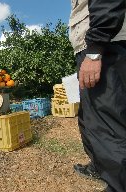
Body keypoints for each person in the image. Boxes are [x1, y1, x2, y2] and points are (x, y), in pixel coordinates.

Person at [69, 0, 126, 191]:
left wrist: (94, 51)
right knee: (90, 117)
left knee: (107, 125)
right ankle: (100, 166)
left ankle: (119, 185)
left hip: (106, 44)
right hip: (103, 42)